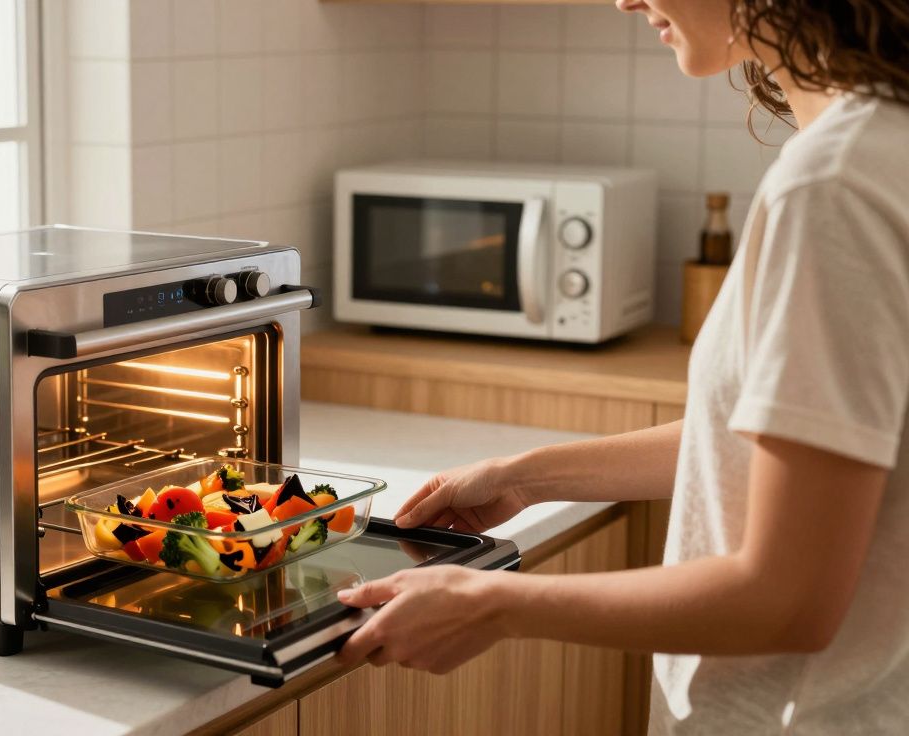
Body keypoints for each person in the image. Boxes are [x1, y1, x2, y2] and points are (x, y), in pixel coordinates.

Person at [334, 1, 909, 732]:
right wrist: (527, 475)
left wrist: (494, 605)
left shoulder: (831, 187)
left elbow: (788, 599)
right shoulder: (884, 141)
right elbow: (781, 447)